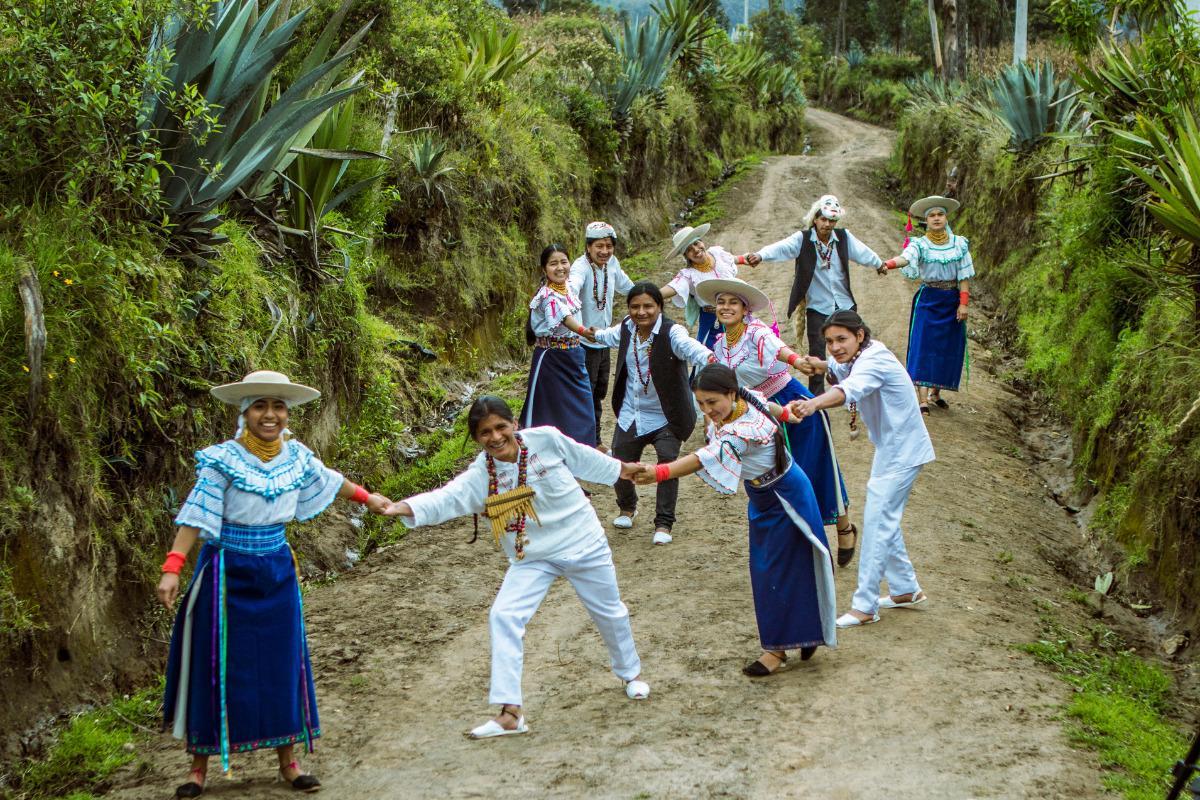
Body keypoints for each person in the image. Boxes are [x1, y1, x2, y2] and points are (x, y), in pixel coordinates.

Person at [157, 370, 394, 798]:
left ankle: (289, 762)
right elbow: (196, 515)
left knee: (284, 664)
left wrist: (369, 498)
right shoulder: (222, 460)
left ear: (287, 414)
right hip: (227, 573)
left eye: (278, 406)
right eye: (261, 406)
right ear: (245, 413)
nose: (271, 415)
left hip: (277, 573)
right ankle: (198, 768)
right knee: (215, 664)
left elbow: (330, 480)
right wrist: (173, 566)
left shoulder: (297, 457)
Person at [382, 396, 650, 739]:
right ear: (477, 438)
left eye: (500, 427)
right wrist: (401, 507)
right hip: (532, 558)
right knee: (504, 616)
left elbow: (587, 460)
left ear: (514, 425)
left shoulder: (546, 439)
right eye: (484, 433)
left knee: (610, 612)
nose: (495, 437)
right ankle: (510, 713)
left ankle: (631, 675)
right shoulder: (481, 474)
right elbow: (446, 498)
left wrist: (623, 470)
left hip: (584, 542)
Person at [633, 364, 837, 675]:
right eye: (700, 403)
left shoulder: (739, 429)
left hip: (784, 496)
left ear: (731, 393)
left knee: (774, 571)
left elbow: (704, 457)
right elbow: (765, 404)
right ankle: (803, 632)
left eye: (712, 402)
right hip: (765, 496)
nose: (707, 410)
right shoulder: (743, 402)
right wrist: (783, 414)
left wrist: (659, 472)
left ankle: (776, 649)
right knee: (781, 567)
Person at [697, 278, 857, 567]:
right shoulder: (719, 346)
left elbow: (777, 348)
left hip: (795, 403)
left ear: (745, 308)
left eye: (733, 302)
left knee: (815, 469)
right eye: (721, 302)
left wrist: (797, 361)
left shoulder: (756, 332)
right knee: (775, 481)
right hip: (762, 416)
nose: (726, 307)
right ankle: (802, 547)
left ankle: (843, 527)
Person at [790, 311, 934, 629]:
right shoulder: (860, 355)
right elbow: (841, 369)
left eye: (841, 339)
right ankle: (905, 589)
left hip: (904, 452)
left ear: (860, 335)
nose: (835, 347)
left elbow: (850, 389)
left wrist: (813, 404)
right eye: (829, 341)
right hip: (892, 450)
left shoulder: (874, 360)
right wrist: (823, 365)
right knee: (883, 517)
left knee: (877, 523)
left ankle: (864, 605)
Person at [591, 283, 713, 545]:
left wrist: (711, 359)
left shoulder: (673, 332)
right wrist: (582, 330)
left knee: (667, 465)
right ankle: (627, 507)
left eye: (648, 306)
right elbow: (604, 336)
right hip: (631, 413)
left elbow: (690, 347)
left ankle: (664, 523)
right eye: (635, 306)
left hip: (667, 415)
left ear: (659, 307)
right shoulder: (626, 328)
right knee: (620, 461)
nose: (641, 312)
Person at [739, 194, 887, 394]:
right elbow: (782, 248)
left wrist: (879, 263)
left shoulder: (843, 238)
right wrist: (761, 255)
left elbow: (862, 252)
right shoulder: (803, 239)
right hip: (818, 306)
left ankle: (854, 389)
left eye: (832, 220)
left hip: (844, 304)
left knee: (855, 348)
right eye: (823, 219)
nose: (827, 224)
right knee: (817, 352)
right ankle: (816, 398)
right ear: (815, 219)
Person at [881, 195, 973, 414]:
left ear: (946, 218)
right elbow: (906, 258)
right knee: (925, 345)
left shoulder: (959, 244)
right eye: (932, 215)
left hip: (951, 300)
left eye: (940, 214)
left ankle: (936, 392)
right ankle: (922, 398)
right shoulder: (920, 245)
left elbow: (964, 277)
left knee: (946, 347)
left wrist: (963, 304)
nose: (936, 218)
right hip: (928, 300)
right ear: (926, 220)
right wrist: (888, 264)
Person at [569, 221, 636, 449]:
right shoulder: (580, 268)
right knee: (584, 394)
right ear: (588, 247)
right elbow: (572, 288)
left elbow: (628, 287)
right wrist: (578, 326)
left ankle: (591, 440)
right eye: (599, 246)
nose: (604, 251)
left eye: (609, 246)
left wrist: (650, 297)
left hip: (603, 341)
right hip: (583, 342)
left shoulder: (612, 264)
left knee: (598, 392)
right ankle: (590, 442)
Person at [523, 243, 597, 445]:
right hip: (552, 360)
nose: (560, 267)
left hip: (573, 356)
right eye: (553, 263)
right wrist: (584, 332)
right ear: (544, 269)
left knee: (582, 408)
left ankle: (581, 453)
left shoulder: (568, 290)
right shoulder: (547, 295)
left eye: (564, 262)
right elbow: (564, 317)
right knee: (552, 411)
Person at [658, 223, 738, 349]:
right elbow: (674, 287)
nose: (695, 250)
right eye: (689, 249)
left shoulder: (717, 254)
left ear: (701, 241)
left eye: (696, 243)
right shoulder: (689, 275)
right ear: (686, 256)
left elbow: (732, 259)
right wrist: (650, 295)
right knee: (708, 355)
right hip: (712, 321)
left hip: (736, 313)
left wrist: (746, 259)